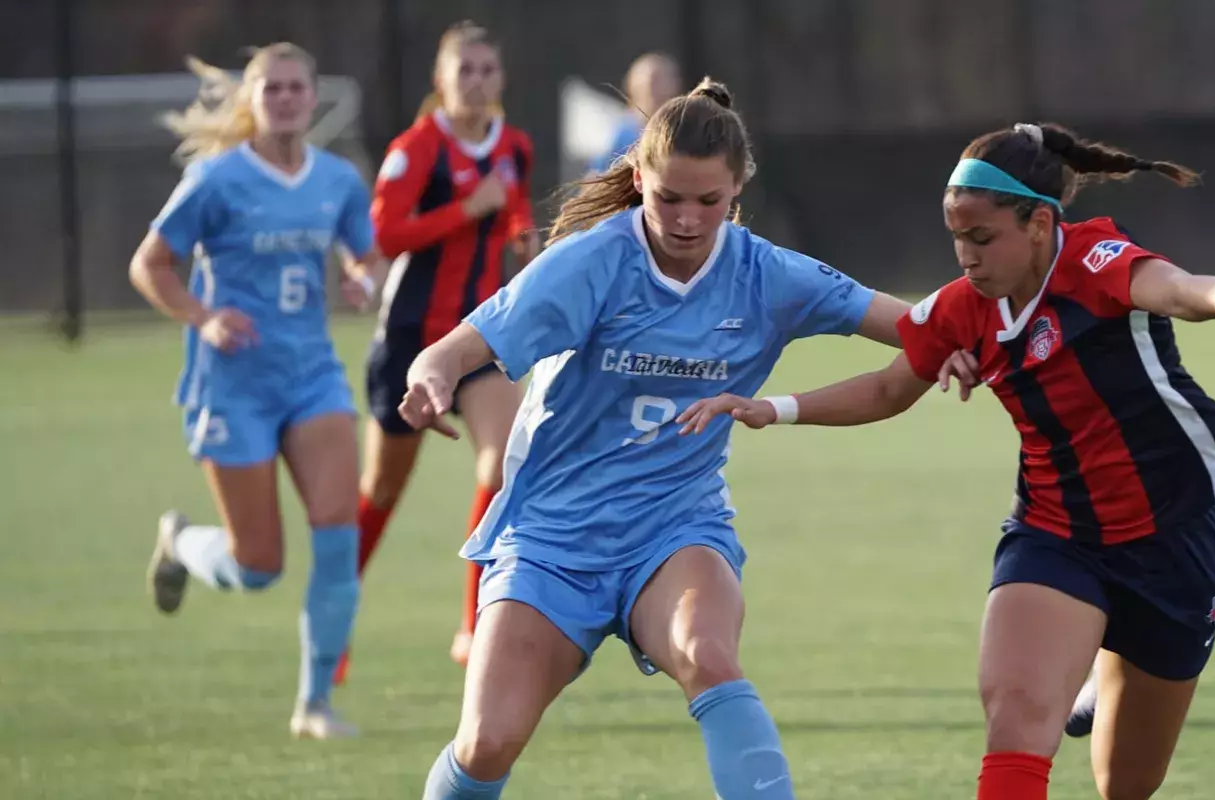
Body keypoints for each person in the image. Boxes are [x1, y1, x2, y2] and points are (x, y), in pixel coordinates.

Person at [676, 122, 1215, 799]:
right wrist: (774, 407)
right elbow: (887, 388)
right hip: (1057, 534)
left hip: (1176, 538)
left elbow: (1178, 289)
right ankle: (1080, 663)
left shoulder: (1094, 260)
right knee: (1016, 721)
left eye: (982, 238)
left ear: (1041, 224)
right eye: (957, 237)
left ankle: (1103, 670)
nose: (965, 256)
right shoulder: (964, 309)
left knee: (1124, 785)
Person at [406, 78, 972, 800]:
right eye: (668, 197)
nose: (686, 218)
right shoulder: (592, 262)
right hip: (553, 538)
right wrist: (432, 377)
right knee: (486, 744)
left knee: (709, 655)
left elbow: (916, 326)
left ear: (739, 189)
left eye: (710, 201)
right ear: (637, 177)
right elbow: (458, 346)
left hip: (674, 527)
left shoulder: (768, 274)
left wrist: (958, 341)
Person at [132, 43, 382, 740]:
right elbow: (150, 264)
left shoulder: (337, 179)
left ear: (312, 96)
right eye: (271, 88)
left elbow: (366, 254)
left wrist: (366, 278)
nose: (285, 99)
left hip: (312, 378)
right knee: (258, 566)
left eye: (296, 87)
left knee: (338, 534)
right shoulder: (216, 179)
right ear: (251, 99)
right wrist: (203, 317)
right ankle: (181, 544)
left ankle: (314, 704)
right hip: (233, 385)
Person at [347, 20, 539, 679]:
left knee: (507, 458)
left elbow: (511, 204)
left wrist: (521, 233)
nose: (477, 83)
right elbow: (384, 233)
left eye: (488, 71)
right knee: (381, 488)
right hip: (409, 341)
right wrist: (465, 210)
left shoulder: (513, 144)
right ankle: (332, 620)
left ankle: (472, 625)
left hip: (479, 338)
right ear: (441, 80)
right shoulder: (417, 148)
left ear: (502, 79)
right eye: (466, 71)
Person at [589, 52, 681, 175]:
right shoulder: (617, 133)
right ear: (632, 85)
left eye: (659, 80)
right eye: (649, 81)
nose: (652, 88)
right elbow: (596, 177)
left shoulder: (683, 129)